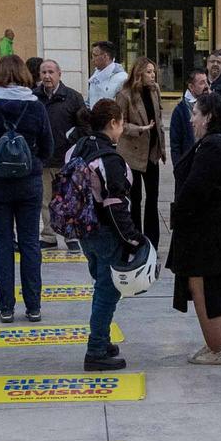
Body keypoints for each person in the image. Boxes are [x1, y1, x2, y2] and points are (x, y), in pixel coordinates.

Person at [166, 93, 221, 363]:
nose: (192, 119)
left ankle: (215, 349)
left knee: (203, 287)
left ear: (209, 117)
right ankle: (220, 346)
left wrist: (177, 216)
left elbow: (195, 190)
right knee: (220, 286)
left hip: (207, 231)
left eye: (196, 113)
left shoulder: (213, 146)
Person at [0, 54, 55, 323]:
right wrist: (33, 163)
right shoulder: (36, 105)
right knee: (31, 244)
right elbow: (48, 146)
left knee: (2, 242)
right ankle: (34, 306)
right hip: (29, 183)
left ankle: (5, 307)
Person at [59, 100, 139, 371]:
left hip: (83, 229)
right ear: (114, 122)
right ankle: (96, 350)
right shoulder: (109, 158)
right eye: (122, 122)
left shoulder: (76, 148)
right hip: (105, 231)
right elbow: (115, 205)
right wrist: (132, 238)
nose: (123, 127)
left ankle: (102, 339)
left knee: (101, 285)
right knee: (107, 290)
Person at [35, 59, 85, 248]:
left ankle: (71, 235)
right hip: (44, 159)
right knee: (46, 200)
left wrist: (70, 141)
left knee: (69, 199)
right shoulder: (34, 98)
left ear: (59, 74)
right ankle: (48, 235)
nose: (47, 76)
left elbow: (84, 126)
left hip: (67, 158)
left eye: (50, 72)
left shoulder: (73, 97)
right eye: (43, 72)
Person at [115, 58, 165, 245]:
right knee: (135, 199)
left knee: (153, 198)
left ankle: (152, 241)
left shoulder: (155, 91)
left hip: (152, 152)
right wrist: (140, 129)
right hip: (132, 154)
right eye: (149, 72)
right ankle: (135, 238)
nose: (153, 75)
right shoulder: (125, 95)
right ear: (139, 74)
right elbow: (120, 124)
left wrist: (161, 146)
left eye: (154, 72)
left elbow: (158, 116)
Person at [170, 68, 206, 184]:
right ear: (191, 87)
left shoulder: (209, 104)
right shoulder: (180, 110)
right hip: (187, 168)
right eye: (201, 83)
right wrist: (178, 168)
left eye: (206, 82)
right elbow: (175, 144)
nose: (206, 86)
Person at [87, 40, 128, 105]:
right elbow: (90, 102)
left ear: (105, 56)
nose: (92, 59)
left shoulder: (122, 78)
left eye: (95, 55)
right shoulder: (95, 77)